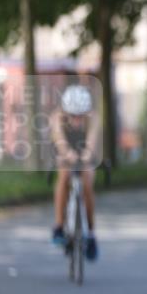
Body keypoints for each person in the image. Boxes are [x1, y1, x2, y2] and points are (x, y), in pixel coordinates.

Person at [50, 83, 100, 260]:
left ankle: (91, 233)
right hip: (66, 149)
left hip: (84, 149)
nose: (77, 120)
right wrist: (67, 154)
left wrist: (86, 155)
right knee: (64, 176)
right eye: (73, 116)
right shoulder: (57, 118)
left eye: (81, 116)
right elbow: (59, 140)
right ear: (65, 112)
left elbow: (92, 142)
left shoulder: (93, 118)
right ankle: (59, 226)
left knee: (87, 181)